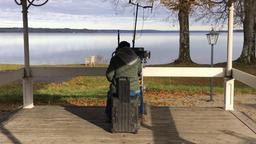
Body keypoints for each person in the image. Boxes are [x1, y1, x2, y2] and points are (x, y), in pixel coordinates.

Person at [105, 41, 142, 120]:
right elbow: (139, 72)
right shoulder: (137, 59)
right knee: (139, 93)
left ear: (119, 49)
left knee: (110, 94)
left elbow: (109, 76)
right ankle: (139, 114)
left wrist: (114, 79)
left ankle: (110, 117)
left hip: (118, 90)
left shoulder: (115, 58)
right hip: (134, 90)